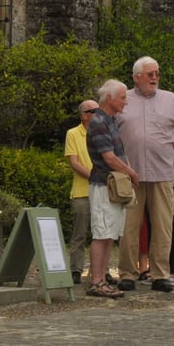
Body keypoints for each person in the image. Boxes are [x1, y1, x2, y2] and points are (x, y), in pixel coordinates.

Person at [114, 56, 174, 293]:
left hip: (162, 172)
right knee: (129, 227)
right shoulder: (123, 99)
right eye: (149, 73)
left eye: (157, 73)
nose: (154, 77)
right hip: (130, 173)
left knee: (163, 226)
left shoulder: (171, 100)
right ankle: (127, 274)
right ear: (136, 78)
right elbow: (106, 121)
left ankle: (160, 274)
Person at [85, 79, 138, 298]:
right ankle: (97, 280)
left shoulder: (109, 120)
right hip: (103, 185)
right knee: (101, 233)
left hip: (111, 185)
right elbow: (109, 157)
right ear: (110, 98)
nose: (126, 102)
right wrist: (132, 173)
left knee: (109, 235)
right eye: (123, 97)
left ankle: (101, 279)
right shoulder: (99, 121)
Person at [64, 100, 99, 284]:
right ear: (84, 114)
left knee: (101, 233)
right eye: (94, 111)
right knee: (79, 233)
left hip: (100, 191)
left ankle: (100, 271)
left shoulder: (101, 133)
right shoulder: (73, 134)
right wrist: (95, 176)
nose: (97, 114)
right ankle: (76, 269)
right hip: (81, 191)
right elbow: (74, 162)